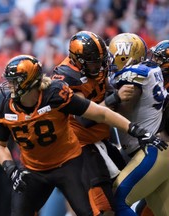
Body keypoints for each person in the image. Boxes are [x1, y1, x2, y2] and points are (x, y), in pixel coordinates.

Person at [0, 54, 167, 216]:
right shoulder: (3, 104)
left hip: (68, 163)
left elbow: (100, 113)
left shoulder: (54, 94)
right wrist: (10, 169)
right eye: (9, 81)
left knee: (92, 212)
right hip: (33, 168)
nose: (10, 86)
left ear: (30, 81)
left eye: (15, 81)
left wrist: (135, 129)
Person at [51, 30, 130, 215]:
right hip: (81, 145)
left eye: (102, 61)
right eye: (96, 63)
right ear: (78, 61)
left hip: (100, 139)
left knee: (127, 188)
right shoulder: (67, 77)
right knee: (104, 207)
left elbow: (105, 89)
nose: (101, 67)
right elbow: (85, 118)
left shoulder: (96, 68)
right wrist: (115, 98)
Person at [108, 33, 169, 216]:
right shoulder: (151, 73)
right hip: (161, 150)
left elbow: (111, 108)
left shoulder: (134, 76)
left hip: (153, 150)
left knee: (117, 201)